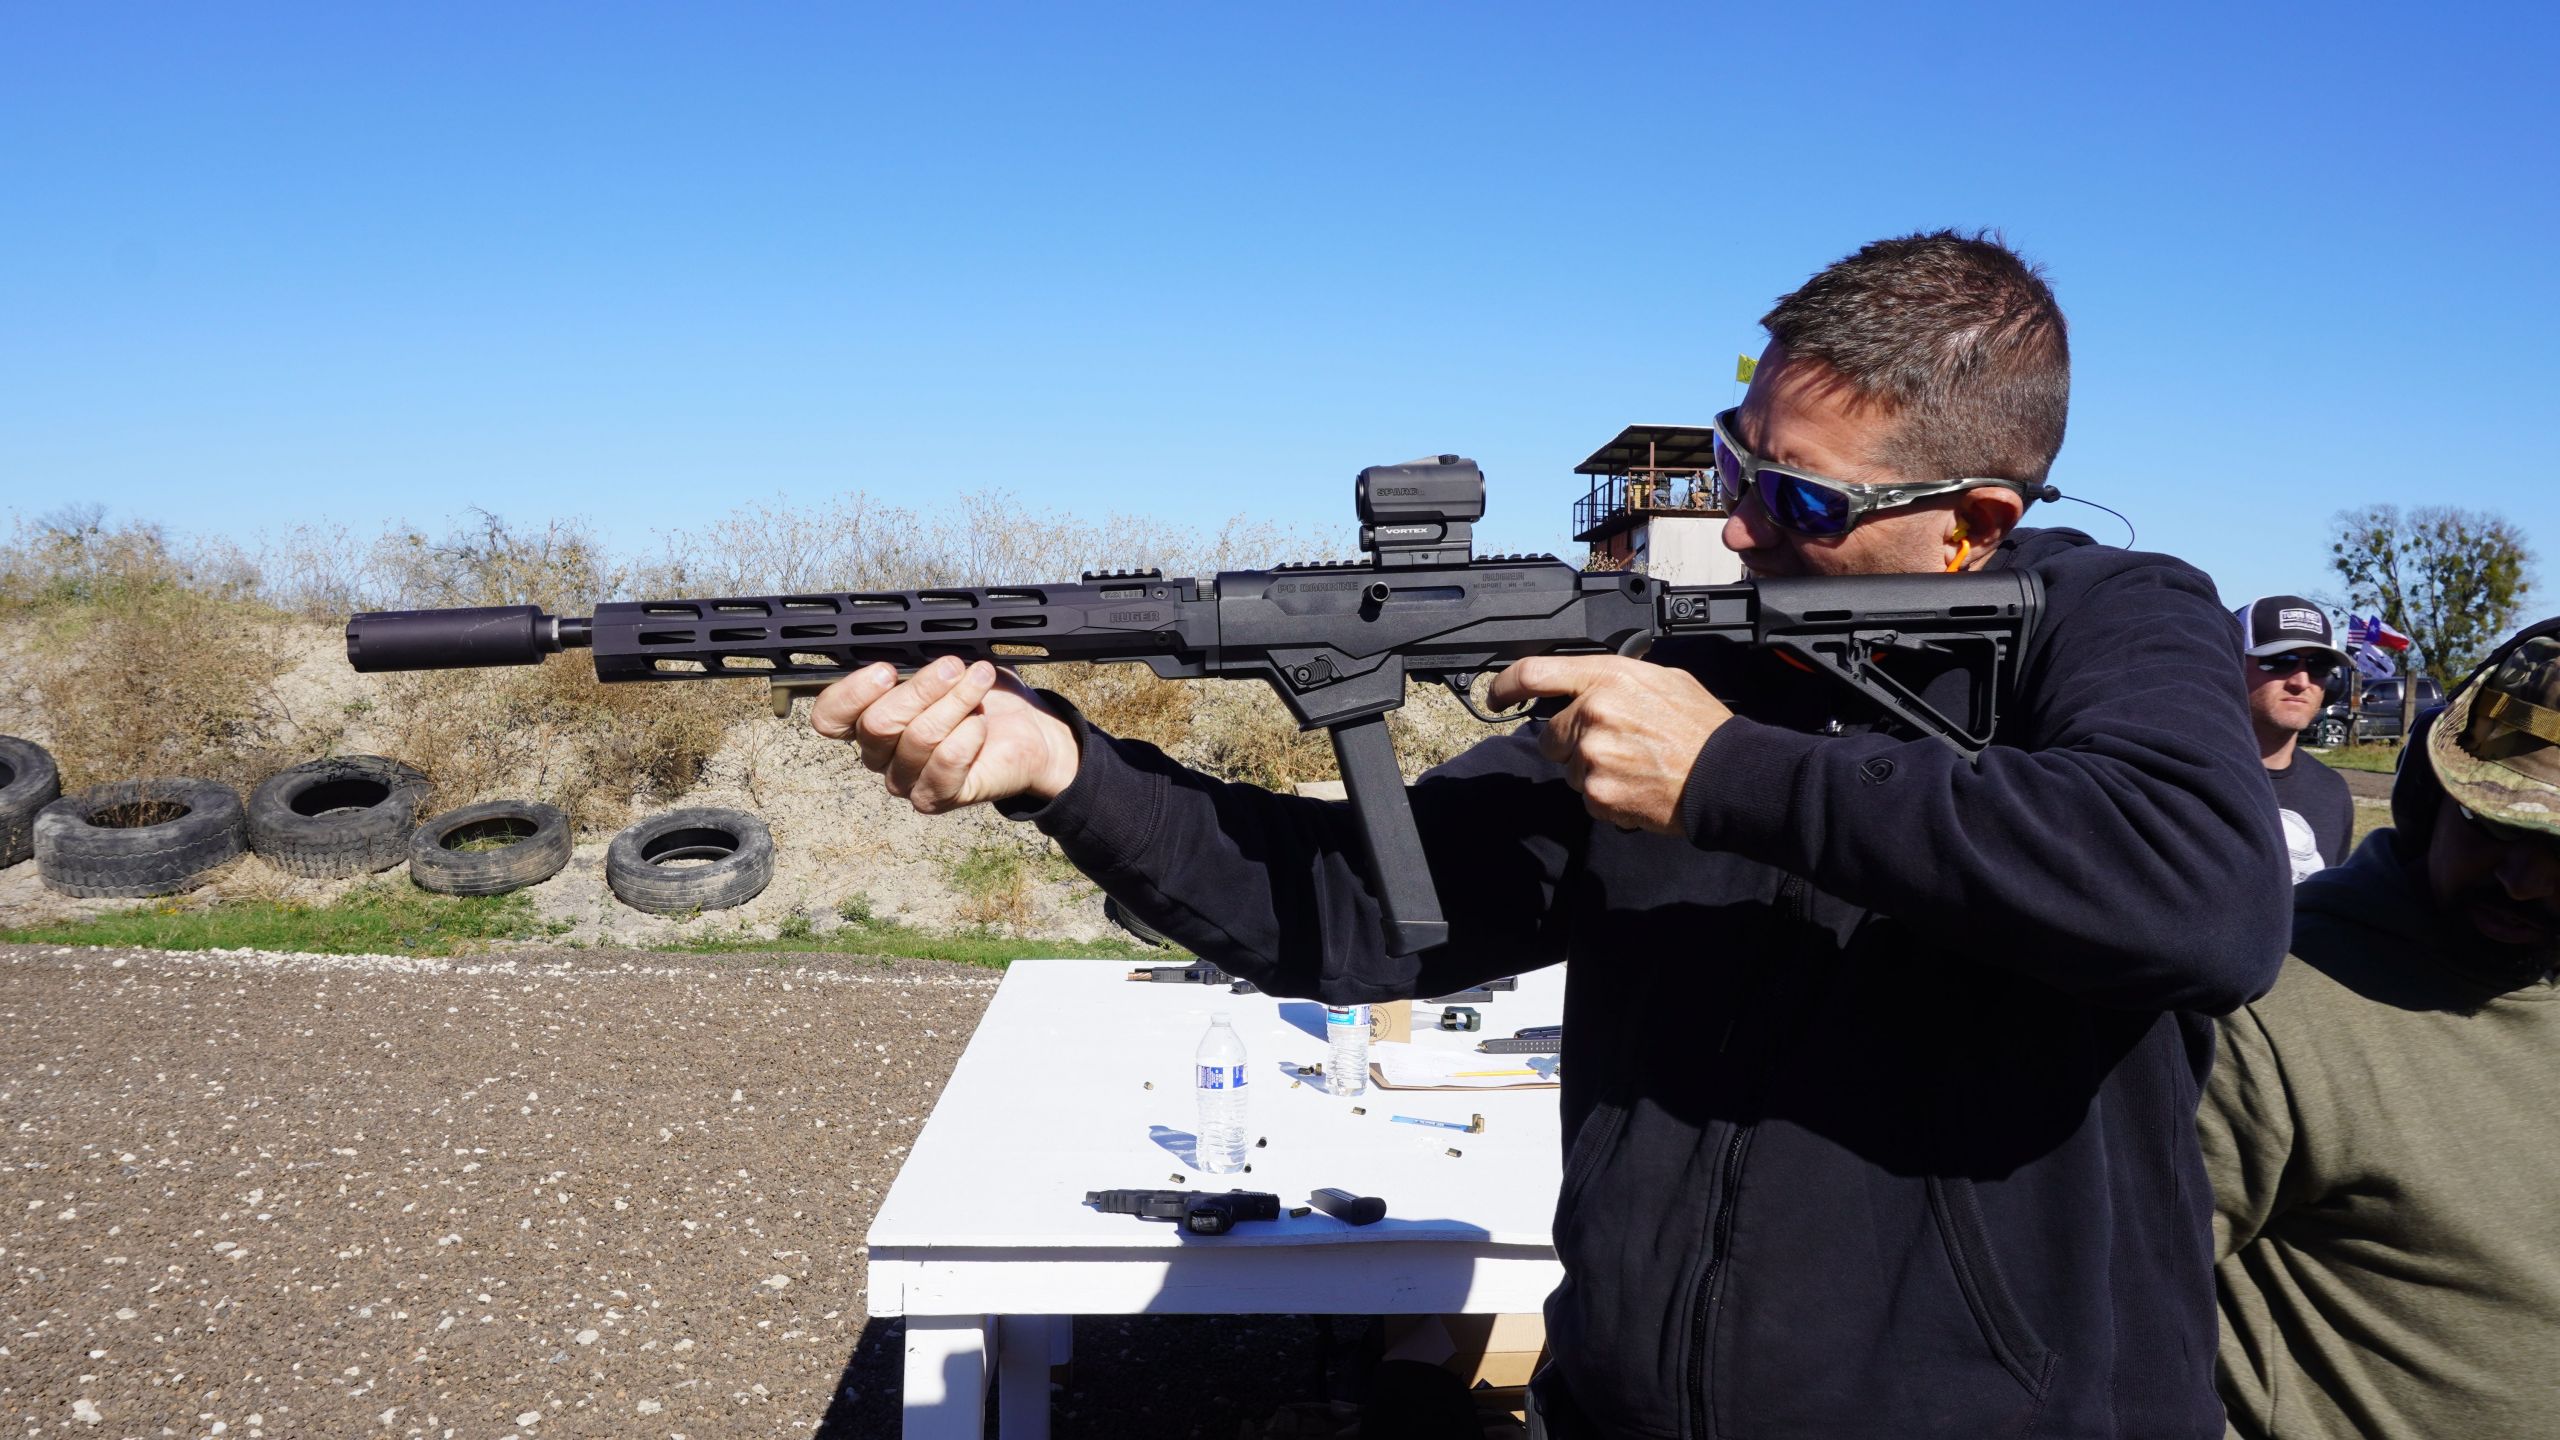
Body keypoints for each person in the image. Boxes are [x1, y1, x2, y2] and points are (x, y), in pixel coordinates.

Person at [816, 232, 2290, 1438]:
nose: (1740, 528)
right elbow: (1351, 913)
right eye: (1733, 466)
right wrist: (1063, 766)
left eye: (1793, 499)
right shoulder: (1697, 664)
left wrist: (1727, 777)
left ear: (1971, 521)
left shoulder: (2111, 618)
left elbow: (2201, 896)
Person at [2197, 622, 2560, 1439]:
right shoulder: (2268, 1001)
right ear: (2430, 803)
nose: (2525, 880)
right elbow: (2109, 1305)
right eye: (2496, 824)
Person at [2235, 594, 2356, 879]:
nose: (2301, 681)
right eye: (2280, 660)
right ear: (2232, 665)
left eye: (2318, 665)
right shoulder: (2186, 778)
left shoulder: (2332, 793)